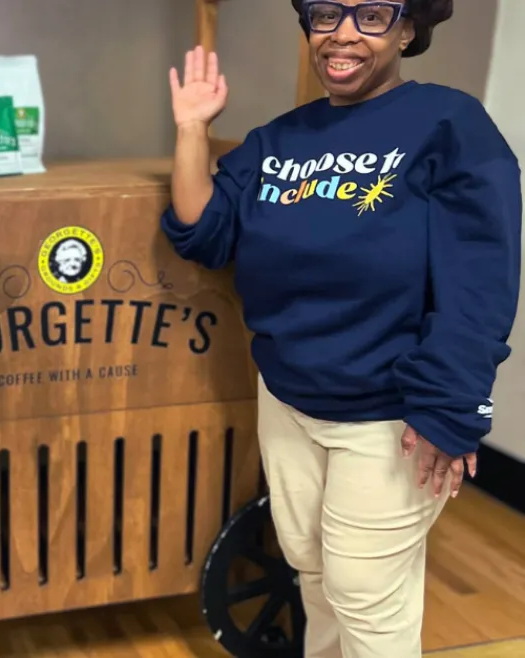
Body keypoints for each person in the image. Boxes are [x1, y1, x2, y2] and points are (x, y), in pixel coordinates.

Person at [162, 1, 521, 657]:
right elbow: (203, 230)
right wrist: (191, 127)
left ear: (408, 29)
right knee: (310, 565)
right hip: (288, 399)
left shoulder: (448, 125)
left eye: (372, 14)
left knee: (363, 591)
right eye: (326, 13)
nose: (343, 32)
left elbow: (481, 277)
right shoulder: (278, 140)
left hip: (388, 412)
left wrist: (451, 407)